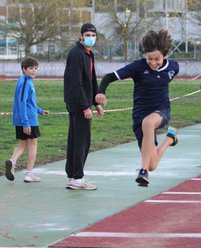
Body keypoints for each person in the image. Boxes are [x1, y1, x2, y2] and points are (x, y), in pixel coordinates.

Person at [95, 28, 179, 187]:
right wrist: (101, 92)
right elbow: (109, 77)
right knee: (153, 164)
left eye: (157, 59)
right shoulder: (138, 67)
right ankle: (170, 139)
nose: (153, 63)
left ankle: (142, 171)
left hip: (162, 110)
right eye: (150, 58)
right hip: (139, 115)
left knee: (148, 123)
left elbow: (162, 81)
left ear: (165, 54)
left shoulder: (173, 67)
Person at [64, 23, 103, 190]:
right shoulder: (76, 54)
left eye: (93, 35)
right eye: (87, 35)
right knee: (82, 141)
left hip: (84, 102)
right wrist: (85, 107)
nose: (91, 38)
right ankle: (77, 178)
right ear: (81, 36)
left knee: (76, 139)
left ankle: (73, 176)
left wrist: (96, 103)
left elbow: (91, 81)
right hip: (77, 103)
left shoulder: (89, 54)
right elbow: (76, 83)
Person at [5, 56, 49, 183]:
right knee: (33, 144)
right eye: (30, 68)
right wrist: (26, 123)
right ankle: (29, 173)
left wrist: (40, 111)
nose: (34, 71)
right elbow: (22, 103)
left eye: (35, 68)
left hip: (24, 119)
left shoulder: (25, 81)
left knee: (22, 144)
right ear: (24, 69)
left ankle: (12, 161)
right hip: (28, 120)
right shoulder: (25, 82)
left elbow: (29, 103)